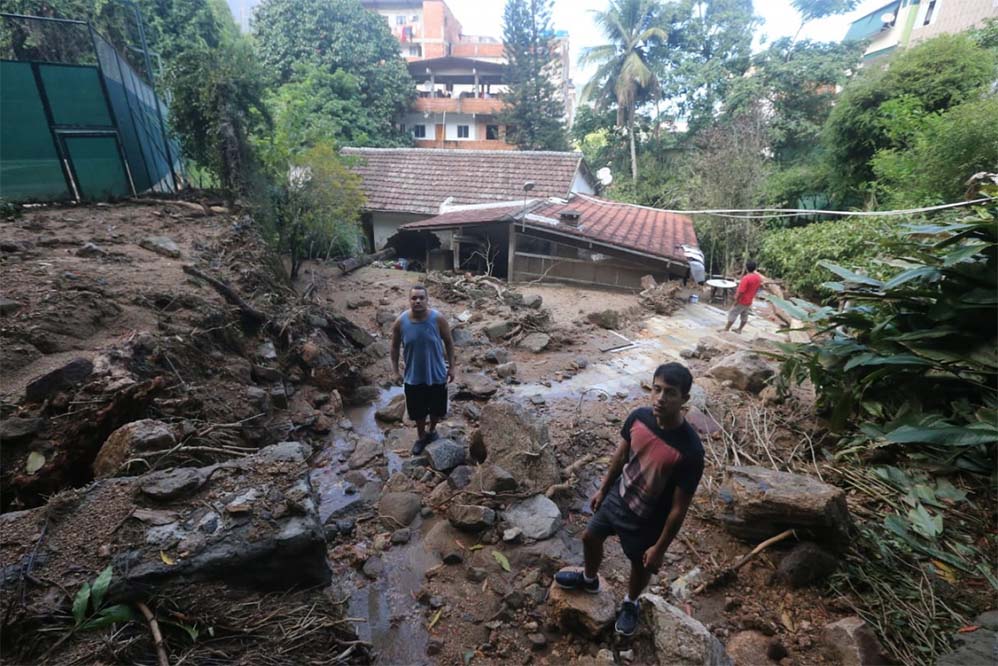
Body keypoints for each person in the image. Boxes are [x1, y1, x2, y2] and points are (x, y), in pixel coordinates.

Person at [554, 363, 704, 636]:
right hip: (618, 497)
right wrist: (603, 489)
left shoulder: (690, 450)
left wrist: (659, 547)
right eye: (657, 389)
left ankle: (631, 602)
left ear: (684, 399)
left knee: (639, 563)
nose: (660, 398)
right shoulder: (638, 418)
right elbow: (620, 456)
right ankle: (589, 579)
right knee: (590, 537)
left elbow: (680, 508)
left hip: (648, 518)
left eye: (670, 393)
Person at [390, 285, 455, 454]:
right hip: (413, 376)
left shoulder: (438, 319)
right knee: (418, 411)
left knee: (437, 409)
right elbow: (395, 347)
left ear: (427, 300)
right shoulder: (401, 322)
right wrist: (395, 371)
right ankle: (420, 436)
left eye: (421, 298)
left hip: (437, 374)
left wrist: (452, 368)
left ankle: (432, 431)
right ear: (409, 300)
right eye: (414, 298)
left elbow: (449, 342)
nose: (417, 301)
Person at [723, 260, 763, 334]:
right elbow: (757, 288)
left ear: (746, 268)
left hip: (742, 300)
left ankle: (726, 329)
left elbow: (741, 291)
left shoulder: (746, 278)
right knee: (744, 315)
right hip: (749, 300)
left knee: (733, 313)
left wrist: (736, 301)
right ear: (755, 268)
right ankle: (739, 329)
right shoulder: (758, 278)